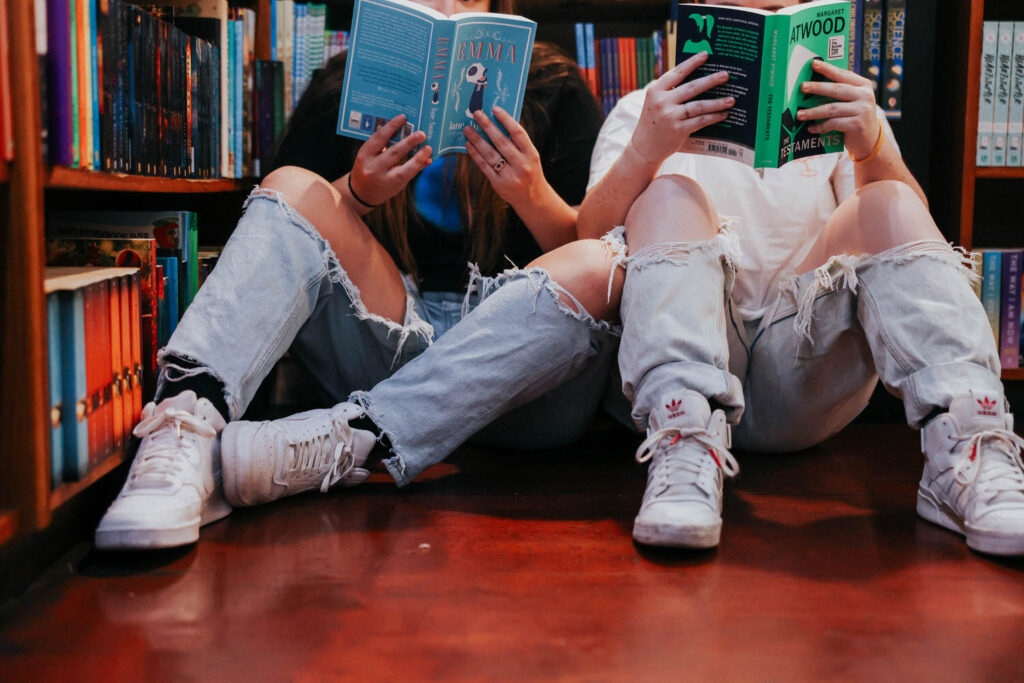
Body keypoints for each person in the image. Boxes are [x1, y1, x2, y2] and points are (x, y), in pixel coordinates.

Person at [94, 0, 634, 550]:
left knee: (602, 262)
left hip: (523, 381)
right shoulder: (345, 85)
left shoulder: (556, 89)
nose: (447, 10)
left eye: (466, 1)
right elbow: (290, 231)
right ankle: (183, 428)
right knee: (292, 185)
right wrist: (359, 195)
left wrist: (531, 194)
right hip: (388, 345)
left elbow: (586, 268)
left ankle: (351, 436)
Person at [578, 0, 1024, 555]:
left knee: (885, 198)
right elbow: (589, 242)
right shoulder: (641, 110)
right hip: (689, 356)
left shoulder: (842, 105)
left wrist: (872, 143)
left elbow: (904, 230)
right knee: (672, 194)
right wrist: (647, 148)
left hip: (804, 364)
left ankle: (971, 439)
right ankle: (686, 442)